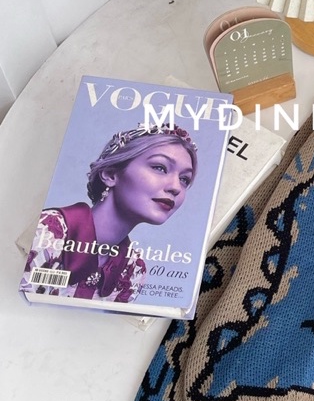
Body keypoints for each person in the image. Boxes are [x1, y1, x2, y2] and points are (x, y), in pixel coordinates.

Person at [22, 124, 198, 303]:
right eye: (159, 167)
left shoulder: (133, 270)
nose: (176, 187)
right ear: (110, 175)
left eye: (184, 179)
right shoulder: (46, 233)